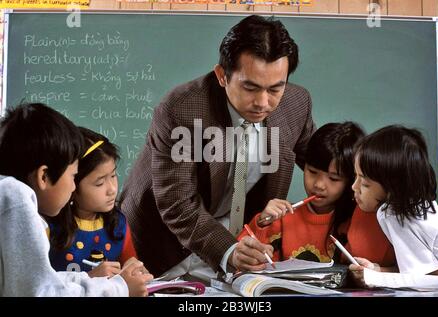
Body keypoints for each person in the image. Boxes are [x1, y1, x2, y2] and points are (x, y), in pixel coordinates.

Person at [119, 15, 315, 279]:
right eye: (250, 87)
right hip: (160, 243)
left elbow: (323, 162)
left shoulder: (295, 104)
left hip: (234, 243)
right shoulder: (182, 110)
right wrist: (228, 251)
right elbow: (177, 202)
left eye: (275, 88)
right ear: (222, 76)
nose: (263, 102)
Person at [0, 103, 151, 296]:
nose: (73, 187)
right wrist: (119, 288)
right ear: (44, 176)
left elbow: (44, 281)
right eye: (73, 176)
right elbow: (43, 292)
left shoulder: (9, 196)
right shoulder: (16, 200)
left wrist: (90, 279)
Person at [238, 122, 364, 264]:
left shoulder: (360, 221)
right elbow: (241, 260)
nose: (319, 185)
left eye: (333, 178)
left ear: (353, 180)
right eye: (312, 171)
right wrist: (261, 224)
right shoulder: (282, 218)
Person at [350, 125, 438, 285]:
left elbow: (433, 283)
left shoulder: (392, 213)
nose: (354, 187)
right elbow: (425, 275)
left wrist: (375, 278)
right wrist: (376, 270)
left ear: (392, 186)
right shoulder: (417, 208)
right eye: (356, 177)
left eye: (365, 183)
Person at [48, 127, 150, 278]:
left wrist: (136, 271)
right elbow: (38, 285)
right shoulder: (48, 228)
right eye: (99, 183)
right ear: (72, 184)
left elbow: (130, 264)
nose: (112, 189)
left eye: (113, 176)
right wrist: (90, 278)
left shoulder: (118, 224)